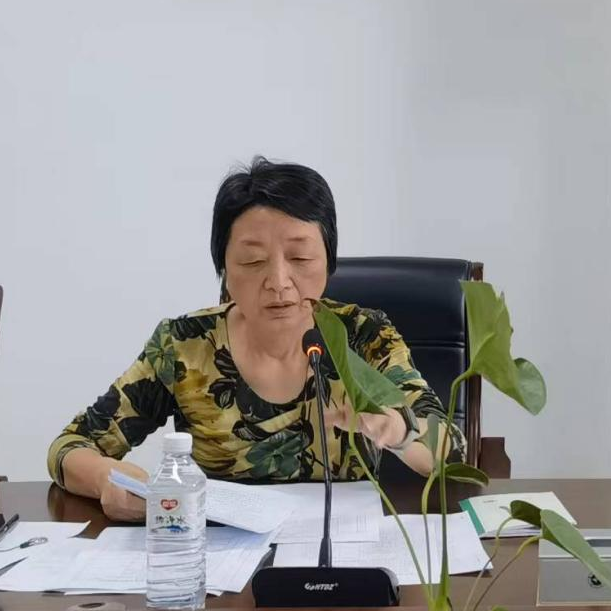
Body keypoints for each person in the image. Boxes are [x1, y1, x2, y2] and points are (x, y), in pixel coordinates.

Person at [47, 157, 466, 521]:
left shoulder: (362, 336)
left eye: (300, 257)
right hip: (220, 561)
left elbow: (451, 448)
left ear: (328, 261)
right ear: (224, 269)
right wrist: (107, 479)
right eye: (252, 261)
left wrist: (399, 431)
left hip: (343, 554)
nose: (279, 282)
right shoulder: (185, 345)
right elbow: (70, 446)